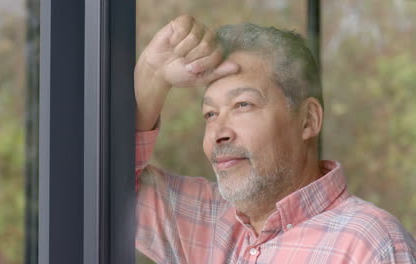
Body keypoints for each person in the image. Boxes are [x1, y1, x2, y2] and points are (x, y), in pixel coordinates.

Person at [134, 15, 416, 263]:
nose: (219, 133)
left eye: (242, 105)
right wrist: (152, 73)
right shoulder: (205, 220)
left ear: (308, 120)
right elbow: (101, 188)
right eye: (209, 114)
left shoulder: (370, 247)